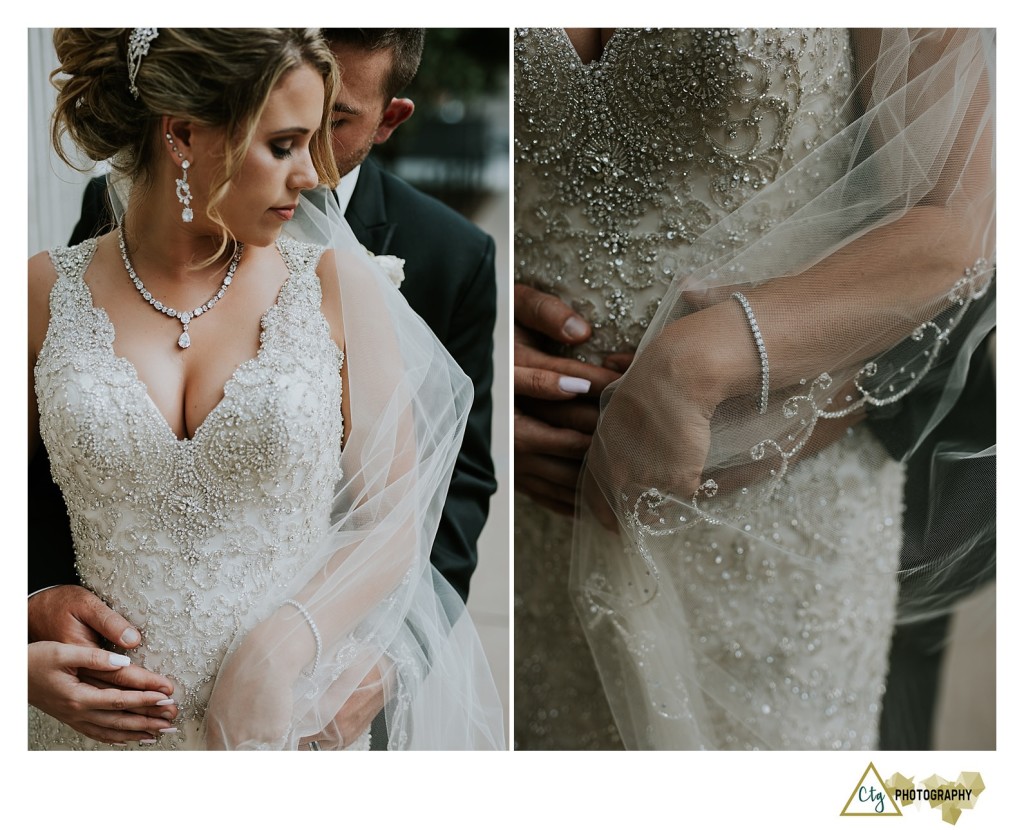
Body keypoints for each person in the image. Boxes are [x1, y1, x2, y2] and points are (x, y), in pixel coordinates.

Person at [513, 28, 994, 750]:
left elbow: (962, 218)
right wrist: (475, 336)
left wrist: (697, 362)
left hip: (774, 516)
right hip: (532, 507)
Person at [29, 27, 504, 750]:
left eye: (318, 139)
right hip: (86, 736)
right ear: (182, 133)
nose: (312, 175)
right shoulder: (35, 294)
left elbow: (394, 522)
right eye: (283, 146)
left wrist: (281, 647)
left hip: (284, 728)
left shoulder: (343, 288)